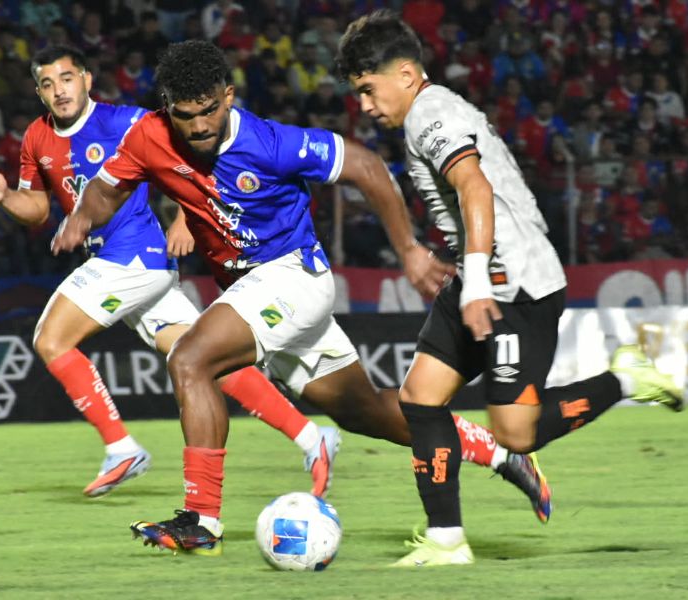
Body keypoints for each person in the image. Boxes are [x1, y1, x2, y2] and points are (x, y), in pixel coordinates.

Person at [51, 40, 553, 557]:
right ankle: (499, 455)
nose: (199, 126)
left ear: (227, 96)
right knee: (366, 413)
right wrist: (82, 219)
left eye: (208, 111)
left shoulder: (270, 143)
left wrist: (407, 248)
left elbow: (366, 166)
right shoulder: (148, 137)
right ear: (166, 109)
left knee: (191, 358)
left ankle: (201, 519)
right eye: (186, 116)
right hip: (255, 291)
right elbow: (106, 190)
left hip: (294, 277)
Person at [336, 10, 684, 567]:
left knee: (516, 433)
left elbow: (473, 184)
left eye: (368, 89)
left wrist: (475, 283)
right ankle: (446, 539)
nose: (366, 105)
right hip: (482, 274)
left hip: (514, 284)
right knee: (420, 398)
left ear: (404, 74)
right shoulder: (429, 113)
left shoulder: (431, 114)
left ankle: (624, 378)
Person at [0, 45, 348, 500]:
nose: (60, 90)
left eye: (67, 78)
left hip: (133, 256)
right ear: (38, 91)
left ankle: (121, 446)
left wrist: (184, 218)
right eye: (48, 84)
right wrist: (6, 196)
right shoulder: (36, 137)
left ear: (87, 80)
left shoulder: (124, 121)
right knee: (203, 360)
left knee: (51, 339)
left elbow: (193, 162)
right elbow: (35, 210)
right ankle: (312, 437)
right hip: (115, 261)